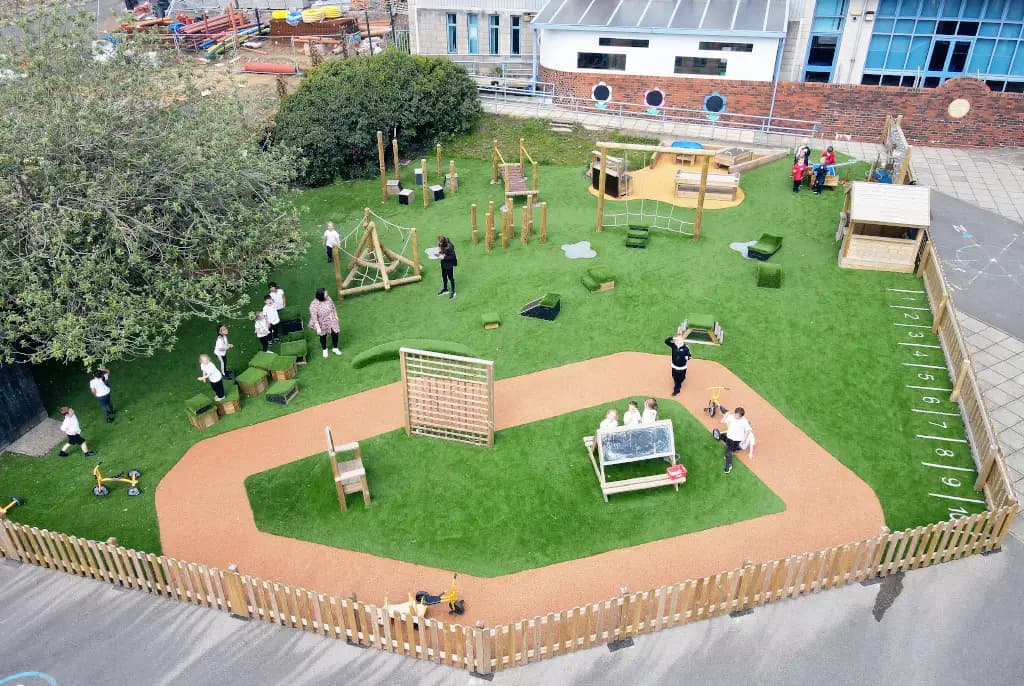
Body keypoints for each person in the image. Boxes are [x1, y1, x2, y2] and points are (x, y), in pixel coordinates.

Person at [309, 287, 342, 358]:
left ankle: (335, 348)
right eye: (325, 293)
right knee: (323, 336)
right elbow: (314, 318)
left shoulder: (328, 298)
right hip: (321, 321)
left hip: (331, 318)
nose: (327, 294)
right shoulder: (314, 305)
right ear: (321, 296)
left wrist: (336, 315)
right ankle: (324, 349)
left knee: (335, 333)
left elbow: (333, 306)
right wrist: (318, 328)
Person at [720, 407, 752, 475]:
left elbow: (748, 430)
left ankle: (729, 462)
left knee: (731, 450)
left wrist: (744, 438)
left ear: (741, 416)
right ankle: (729, 464)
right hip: (730, 437)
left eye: (738, 416)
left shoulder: (744, 421)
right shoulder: (731, 417)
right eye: (736, 414)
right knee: (729, 451)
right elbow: (722, 421)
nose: (736, 416)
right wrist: (727, 414)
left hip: (737, 439)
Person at [664, 332, 692, 396]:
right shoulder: (673, 345)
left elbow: (690, 356)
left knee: (682, 378)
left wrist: (687, 357)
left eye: (679, 339)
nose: (677, 341)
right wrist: (673, 338)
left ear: (682, 340)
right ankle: (677, 389)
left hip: (682, 368)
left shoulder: (686, 348)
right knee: (675, 378)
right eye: (676, 340)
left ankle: (677, 388)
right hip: (674, 366)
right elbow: (666, 341)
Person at [437, 236, 457, 300]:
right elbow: (442, 251)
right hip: (443, 264)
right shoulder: (441, 244)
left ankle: (453, 291)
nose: (439, 244)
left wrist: (444, 257)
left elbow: (453, 257)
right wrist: (438, 253)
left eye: (440, 243)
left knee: (451, 278)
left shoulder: (450, 246)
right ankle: (445, 289)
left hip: (449, 265)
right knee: (444, 276)